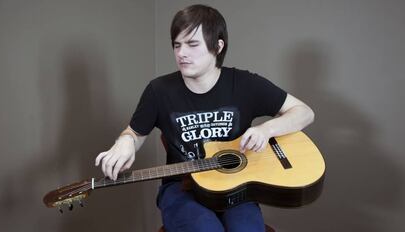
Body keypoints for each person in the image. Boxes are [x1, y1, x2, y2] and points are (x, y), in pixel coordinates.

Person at [95, 4, 314, 232]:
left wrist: (266, 130)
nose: (181, 53)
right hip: (181, 188)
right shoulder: (159, 90)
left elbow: (304, 112)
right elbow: (135, 132)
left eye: (192, 44)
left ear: (218, 46)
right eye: (177, 45)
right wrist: (125, 141)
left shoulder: (245, 84)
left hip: (236, 187)